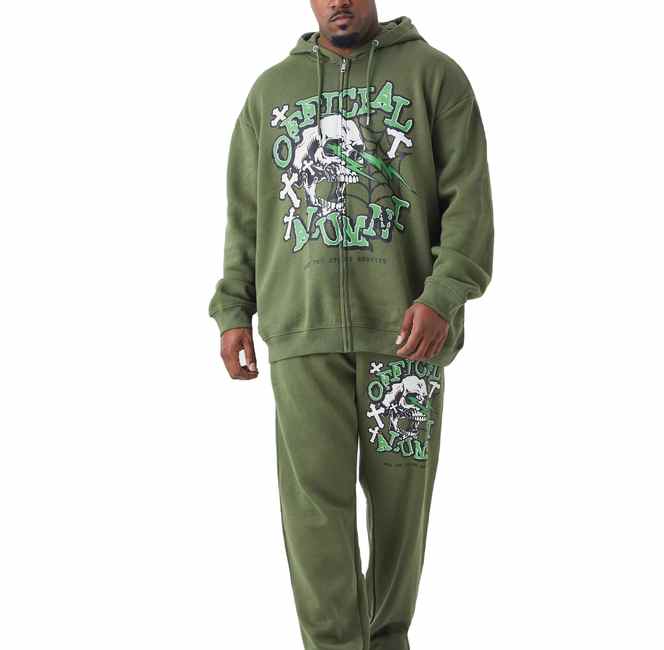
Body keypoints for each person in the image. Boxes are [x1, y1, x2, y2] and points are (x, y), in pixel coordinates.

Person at [208, 2, 493, 648]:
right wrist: (233, 308)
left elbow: (469, 204)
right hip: (302, 333)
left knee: (399, 516)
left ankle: (387, 642)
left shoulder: (434, 77)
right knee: (314, 517)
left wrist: (443, 296)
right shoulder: (270, 93)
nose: (338, 0)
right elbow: (246, 214)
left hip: (407, 340)